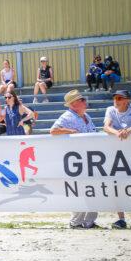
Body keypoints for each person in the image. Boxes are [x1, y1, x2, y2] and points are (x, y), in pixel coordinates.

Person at [50, 90, 98, 229]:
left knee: (92, 189)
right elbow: (53, 131)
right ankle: (76, 221)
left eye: (83, 99)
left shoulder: (86, 116)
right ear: (73, 104)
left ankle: (89, 221)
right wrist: (70, 131)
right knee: (79, 190)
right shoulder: (67, 117)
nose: (84, 101)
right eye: (81, 99)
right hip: (77, 160)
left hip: (91, 158)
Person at [102, 90, 131, 229]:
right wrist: (118, 132)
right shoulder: (110, 110)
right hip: (116, 154)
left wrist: (129, 130)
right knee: (116, 186)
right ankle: (121, 219)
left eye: (119, 98)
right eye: (114, 97)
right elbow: (106, 127)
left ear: (127, 100)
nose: (116, 100)